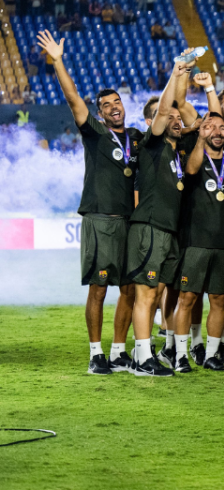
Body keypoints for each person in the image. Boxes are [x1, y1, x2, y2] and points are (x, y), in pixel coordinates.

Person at [37, 30, 142, 376]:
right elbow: (72, 99)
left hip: (130, 222)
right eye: (107, 105)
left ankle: (117, 351)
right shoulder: (95, 133)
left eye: (117, 103)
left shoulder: (137, 139)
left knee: (128, 289)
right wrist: (58, 60)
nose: (114, 108)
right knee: (98, 290)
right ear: (99, 112)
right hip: (100, 220)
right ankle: (96, 354)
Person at [128, 60, 201, 377]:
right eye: (167, 116)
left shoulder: (175, 150)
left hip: (167, 230)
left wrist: (184, 75)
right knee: (146, 294)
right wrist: (174, 75)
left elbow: (181, 107)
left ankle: (143, 352)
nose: (174, 119)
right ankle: (142, 359)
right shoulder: (153, 144)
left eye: (176, 117)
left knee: (157, 293)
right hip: (150, 227)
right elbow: (163, 114)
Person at [175, 113, 224, 373]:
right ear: (201, 130)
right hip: (195, 241)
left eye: (220, 127)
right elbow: (191, 170)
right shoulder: (193, 157)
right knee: (187, 298)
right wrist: (199, 140)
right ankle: (181, 355)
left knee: (218, 299)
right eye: (209, 127)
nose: (216, 131)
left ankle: (212, 354)